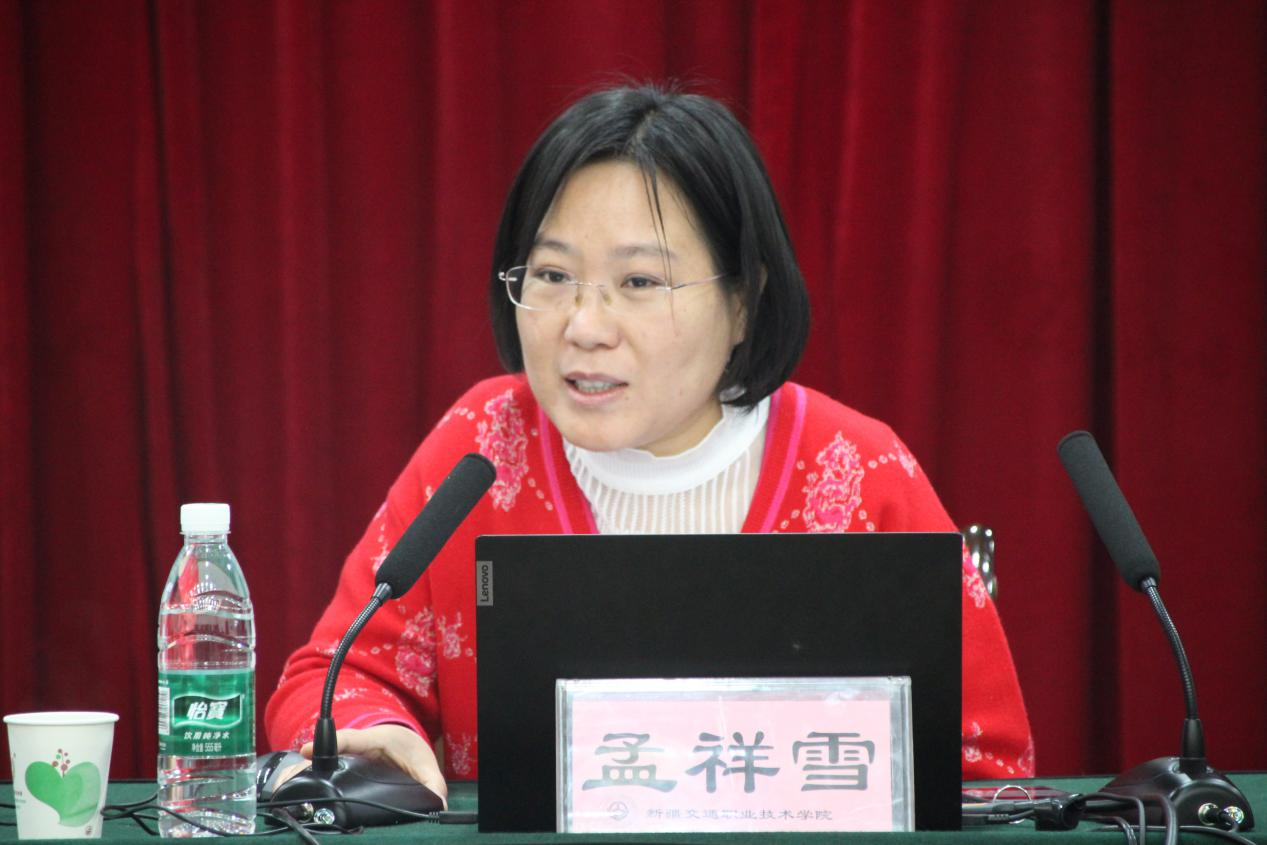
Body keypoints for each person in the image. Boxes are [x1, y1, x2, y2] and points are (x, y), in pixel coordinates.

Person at [265, 84, 1034, 803]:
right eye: (552, 275)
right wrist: (377, 731)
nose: (583, 326)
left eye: (638, 283)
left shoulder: (859, 470)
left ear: (744, 300)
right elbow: (332, 679)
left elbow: (984, 768)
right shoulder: (480, 449)